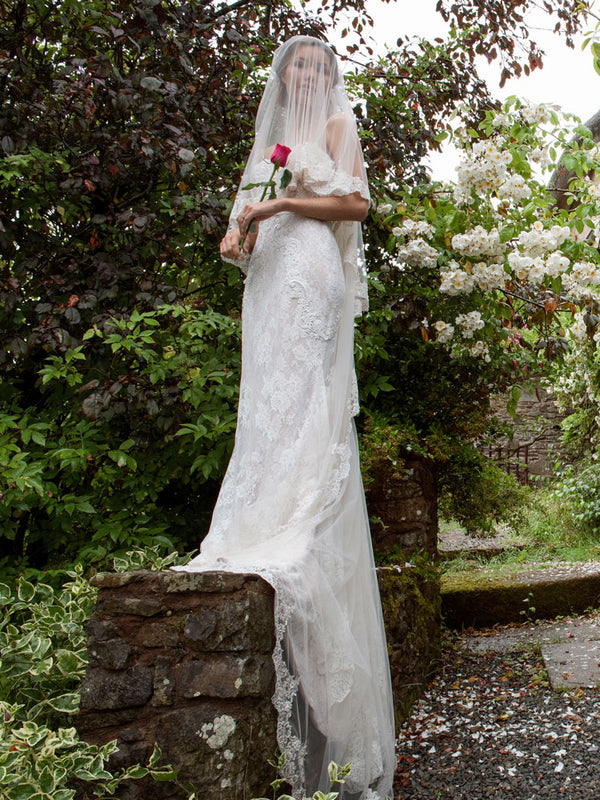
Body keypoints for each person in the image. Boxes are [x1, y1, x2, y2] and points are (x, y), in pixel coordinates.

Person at [178, 36, 395, 800]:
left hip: (310, 274)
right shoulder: (267, 143)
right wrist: (242, 229)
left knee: (304, 395)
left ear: (329, 76)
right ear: (282, 76)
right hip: (269, 280)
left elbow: (357, 204)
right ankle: (257, 504)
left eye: (317, 66)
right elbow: (241, 230)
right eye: (297, 66)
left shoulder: (335, 128)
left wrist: (281, 201)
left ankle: (294, 511)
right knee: (266, 401)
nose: (307, 75)